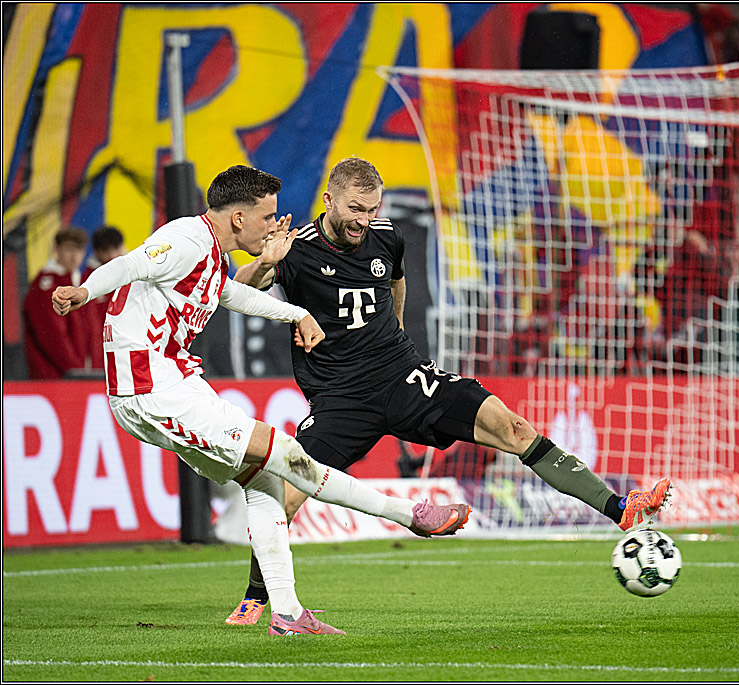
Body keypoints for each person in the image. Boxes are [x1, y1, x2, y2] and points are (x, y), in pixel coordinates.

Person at [225, 157, 673, 625]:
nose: (364, 220)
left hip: (403, 376)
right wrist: (264, 264)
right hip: (341, 397)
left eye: (372, 208)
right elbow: (240, 291)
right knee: (288, 490)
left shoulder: (385, 236)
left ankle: (619, 507)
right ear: (329, 200)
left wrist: (395, 333)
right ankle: (257, 596)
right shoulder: (295, 250)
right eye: (355, 209)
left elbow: (394, 282)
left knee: (512, 427)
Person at [52, 165, 472, 636]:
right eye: (268, 216)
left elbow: (230, 294)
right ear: (237, 219)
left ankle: (288, 614)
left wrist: (296, 313)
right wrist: (84, 290)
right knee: (289, 456)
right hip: (153, 390)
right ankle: (409, 515)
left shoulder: (209, 255)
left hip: (170, 386)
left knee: (264, 484)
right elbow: (134, 263)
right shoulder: (188, 238)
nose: (275, 225)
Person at [23, 227, 92, 378]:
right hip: (54, 376)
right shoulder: (46, 285)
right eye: (69, 249)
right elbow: (52, 337)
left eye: (79, 249)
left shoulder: (81, 282)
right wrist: (77, 371)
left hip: (78, 374)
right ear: (56, 250)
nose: (74, 256)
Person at [83, 226, 127, 368]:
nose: (112, 255)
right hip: (101, 354)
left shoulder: (132, 275)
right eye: (107, 250)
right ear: (97, 252)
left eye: (116, 249)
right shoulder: (87, 282)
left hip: (127, 347)